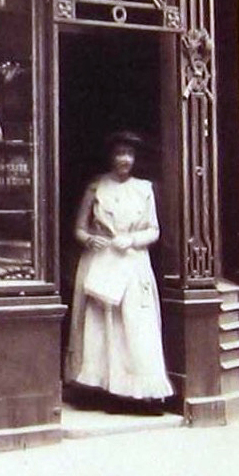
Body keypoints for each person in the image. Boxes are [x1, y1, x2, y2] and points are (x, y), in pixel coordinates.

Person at [64, 130, 173, 413]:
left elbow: (154, 230)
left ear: (135, 158)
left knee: (135, 327)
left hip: (133, 263)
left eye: (129, 154)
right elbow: (78, 228)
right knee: (101, 328)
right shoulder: (96, 186)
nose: (124, 159)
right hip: (101, 262)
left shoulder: (144, 188)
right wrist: (89, 238)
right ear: (110, 157)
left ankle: (135, 392)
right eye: (118, 153)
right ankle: (102, 388)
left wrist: (133, 240)